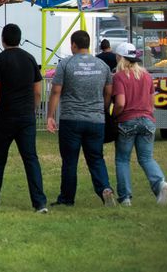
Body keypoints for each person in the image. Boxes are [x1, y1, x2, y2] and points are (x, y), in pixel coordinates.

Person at [47, 29, 117, 207]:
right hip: (96, 120)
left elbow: (56, 91)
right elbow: (108, 92)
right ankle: (105, 189)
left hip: (71, 119)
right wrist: (102, 108)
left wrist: (50, 115)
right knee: (96, 158)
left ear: (73, 45)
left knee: (70, 161)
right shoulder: (102, 66)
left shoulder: (66, 64)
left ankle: (67, 198)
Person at [0, 23, 48, 212]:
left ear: (3, 39)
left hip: (6, 116)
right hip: (26, 117)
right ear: (19, 39)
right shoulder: (30, 59)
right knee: (30, 159)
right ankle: (39, 202)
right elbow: (38, 91)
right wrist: (33, 109)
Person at [111, 42, 167, 206]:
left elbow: (121, 103)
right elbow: (152, 102)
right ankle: (160, 184)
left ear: (120, 58)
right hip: (147, 119)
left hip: (127, 120)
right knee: (146, 158)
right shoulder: (146, 76)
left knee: (123, 159)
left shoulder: (119, 77)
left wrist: (114, 116)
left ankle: (125, 197)